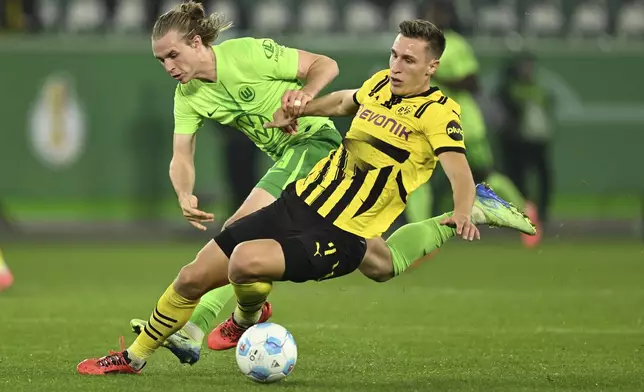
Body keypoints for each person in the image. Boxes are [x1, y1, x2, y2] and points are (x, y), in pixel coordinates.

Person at [77, 19, 536, 375]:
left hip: (340, 217)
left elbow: (456, 166)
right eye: (393, 55)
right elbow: (342, 101)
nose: (396, 65)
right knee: (377, 266)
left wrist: (460, 207)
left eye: (408, 60)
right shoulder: (378, 84)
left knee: (243, 256)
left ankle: (229, 320)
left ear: (432, 67)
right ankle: (133, 358)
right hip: (305, 195)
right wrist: (301, 106)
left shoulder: (440, 113)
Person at [124, 0, 344, 365]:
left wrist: (304, 95)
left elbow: (325, 65)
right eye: (161, 60)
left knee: (236, 231)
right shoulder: (188, 95)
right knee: (376, 259)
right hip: (289, 161)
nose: (168, 67)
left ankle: (207, 326)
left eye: (173, 55)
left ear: (197, 43)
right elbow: (181, 154)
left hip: (316, 146)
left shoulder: (247, 53)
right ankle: (231, 321)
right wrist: (183, 192)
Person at [406, 0, 541, 248]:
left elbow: (472, 83)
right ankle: (420, 238)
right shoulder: (412, 46)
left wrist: (436, 75)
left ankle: (524, 211)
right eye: (430, 12)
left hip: (462, 122)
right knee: (415, 177)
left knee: (483, 177)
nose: (434, 17)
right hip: (426, 122)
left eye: (439, 13)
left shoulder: (454, 44)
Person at [498, 52, 553, 230]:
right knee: (517, 179)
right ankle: (521, 212)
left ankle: (540, 213)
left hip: (537, 140)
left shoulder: (536, 89)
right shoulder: (510, 89)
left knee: (543, 176)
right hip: (517, 142)